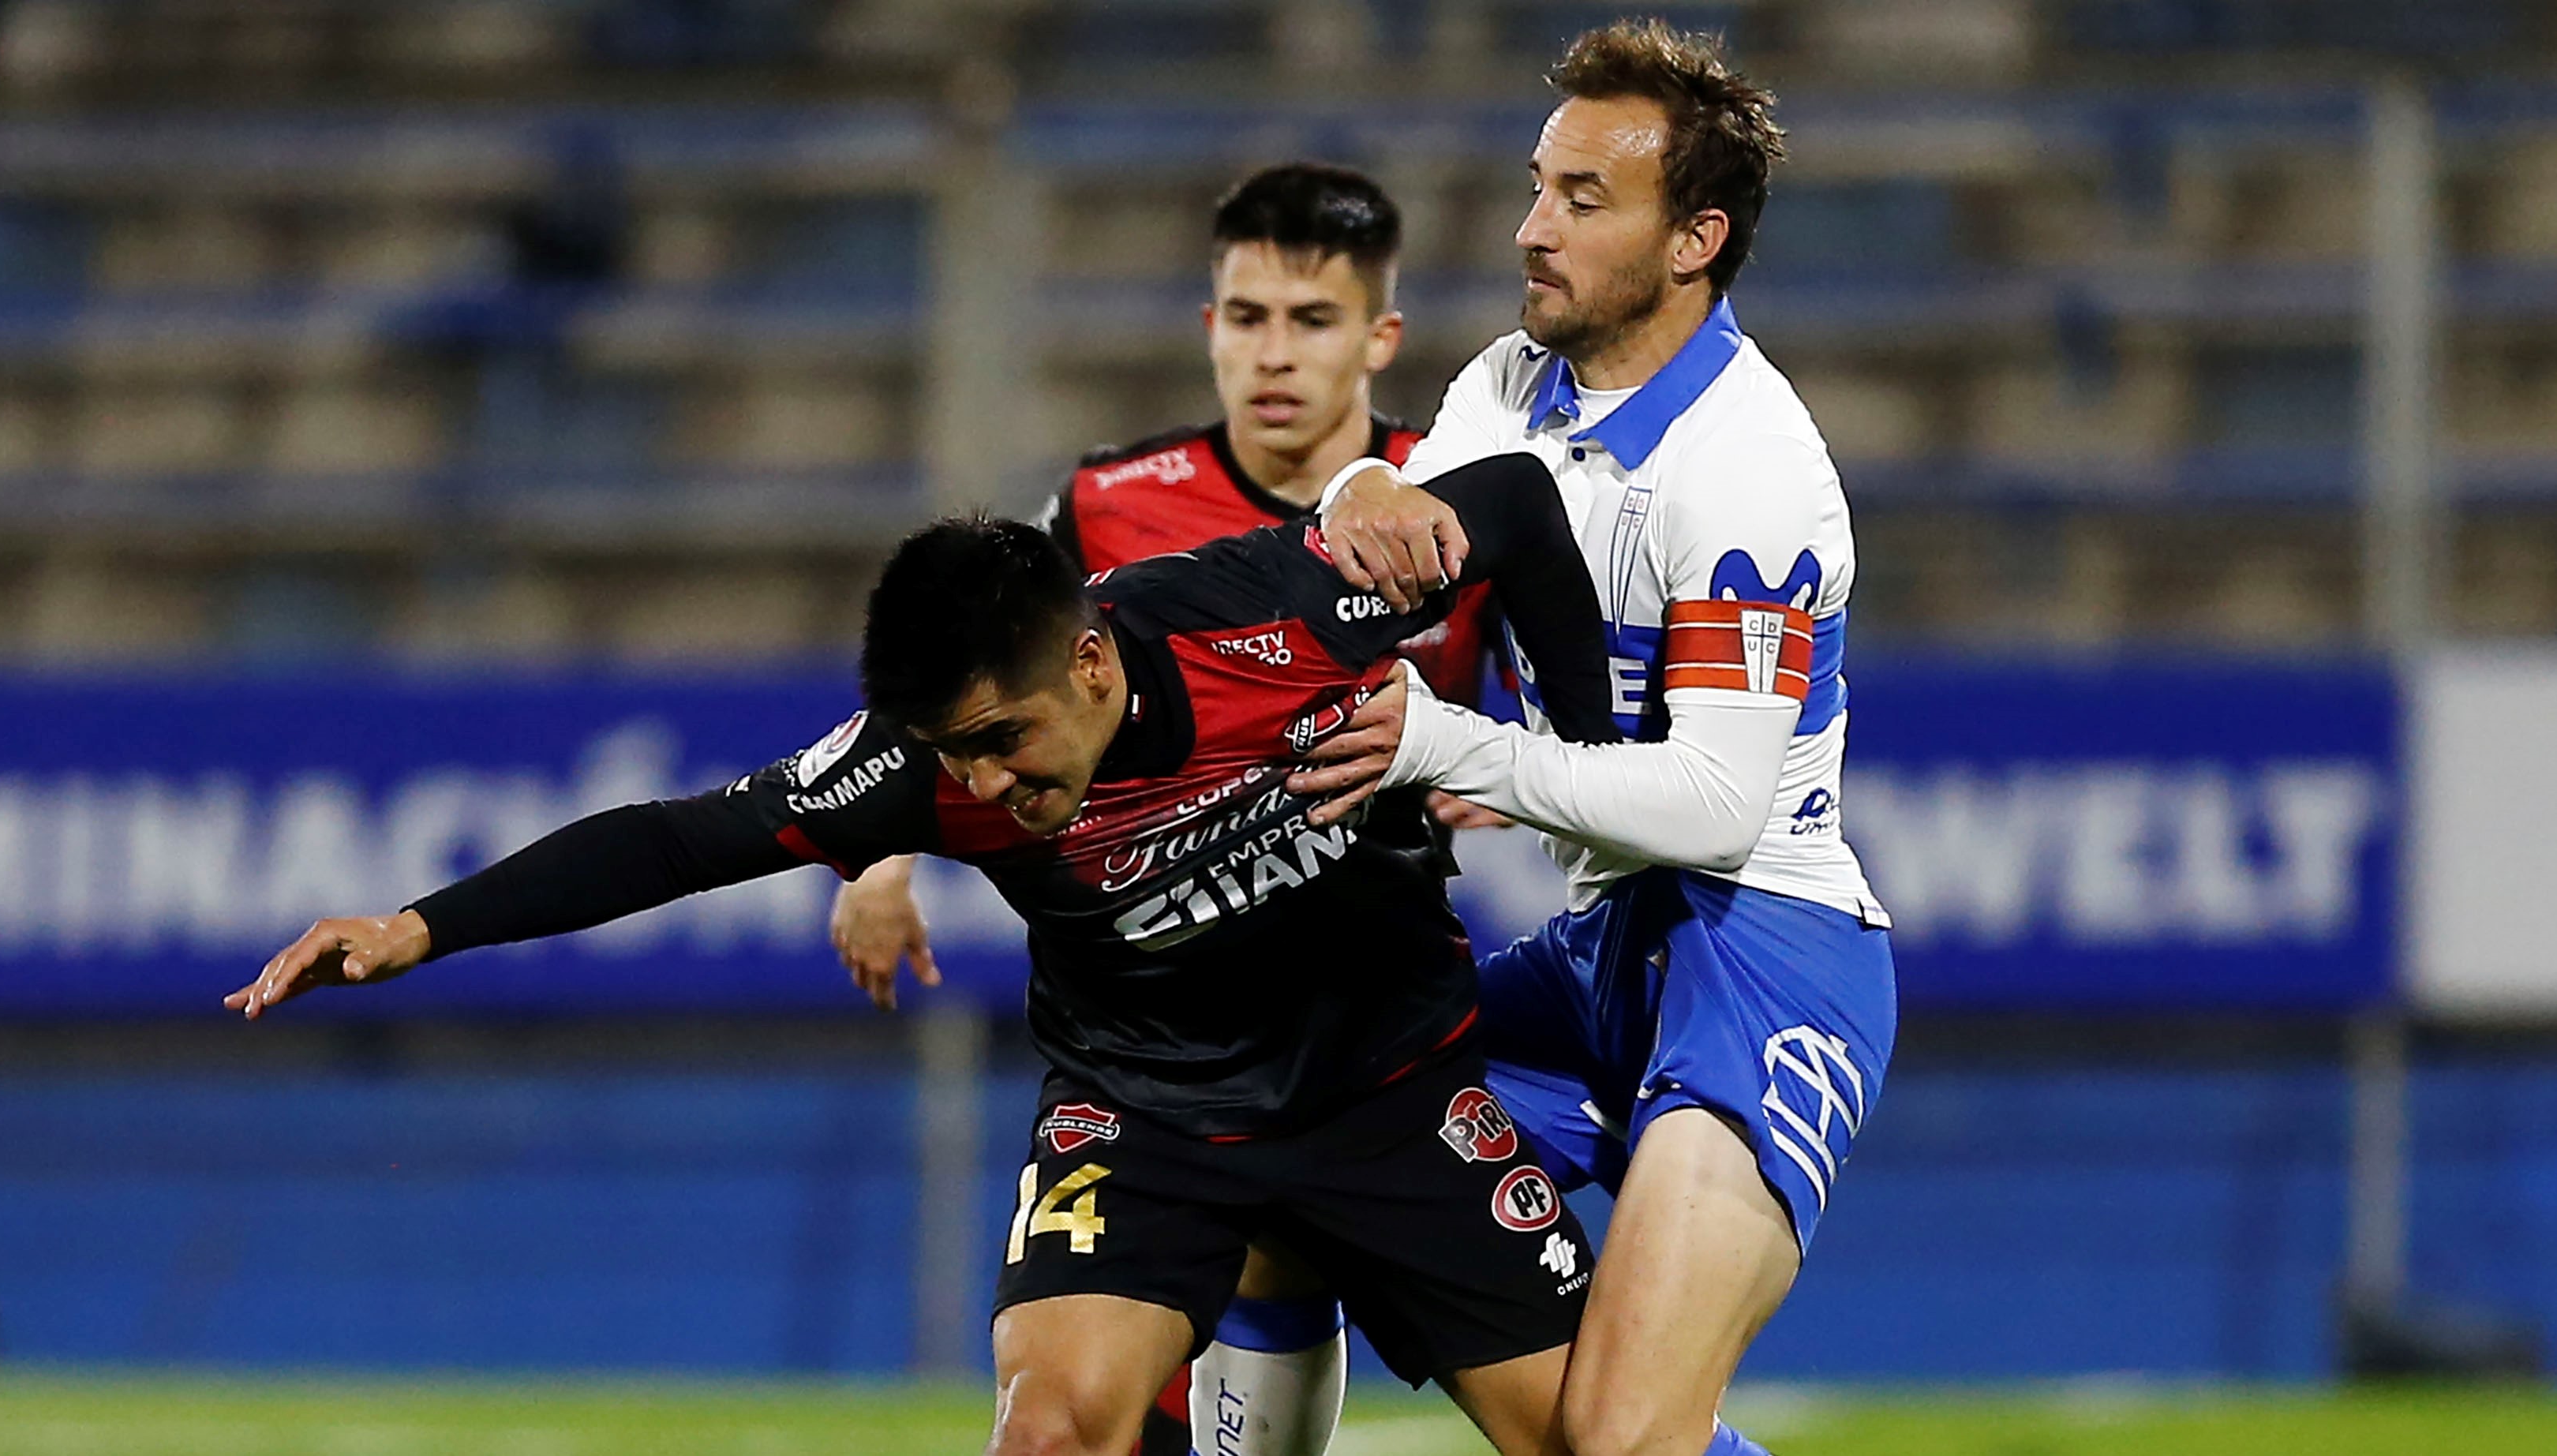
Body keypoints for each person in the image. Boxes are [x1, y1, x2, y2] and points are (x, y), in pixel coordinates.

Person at [228, 454, 1616, 1456]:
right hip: (1147, 1117)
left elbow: (1514, 506)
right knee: (1050, 1430)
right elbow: (678, 838)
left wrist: (1594, 775)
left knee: (1599, 1436)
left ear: (1090, 662)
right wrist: (418, 926)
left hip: (1393, 1095)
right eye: (955, 753)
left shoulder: (1283, 609)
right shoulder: (919, 770)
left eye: (1002, 739)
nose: (984, 783)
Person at [1275, 21, 1900, 1456]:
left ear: (1694, 241)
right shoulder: (1510, 385)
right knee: (1283, 1146)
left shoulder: (1749, 468)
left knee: (1623, 1436)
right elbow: (1400, 541)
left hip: (1764, 957)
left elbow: (1716, 804)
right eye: (1537, 187)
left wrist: (1453, 749)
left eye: (1582, 198)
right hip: (1606, 952)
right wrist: (1361, 481)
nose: (1531, 229)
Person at [831, 161, 1500, 1456]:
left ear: (1380, 338)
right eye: (1247, 317)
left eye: (1311, 320)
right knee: (1159, 1317)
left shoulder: (1449, 490)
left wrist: (1507, 763)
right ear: (1209, 326)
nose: (1274, 354)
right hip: (1171, 989)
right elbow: (956, 664)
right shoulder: (1106, 505)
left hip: (1375, 977)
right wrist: (879, 858)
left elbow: (1576, 677)